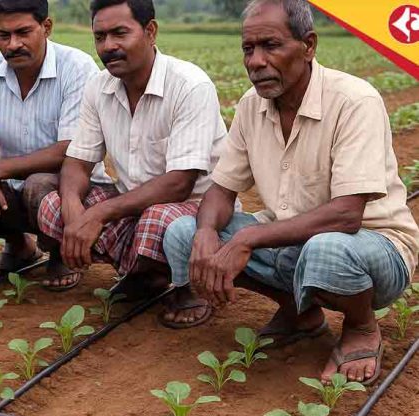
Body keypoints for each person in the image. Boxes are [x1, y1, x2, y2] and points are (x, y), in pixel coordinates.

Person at [162, 0, 419, 384]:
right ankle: (300, 313)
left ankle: (362, 326)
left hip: (371, 247)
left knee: (326, 250)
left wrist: (247, 238)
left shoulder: (354, 101)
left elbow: (346, 215)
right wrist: (205, 232)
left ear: (308, 45)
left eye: (271, 45)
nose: (255, 61)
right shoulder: (251, 106)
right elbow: (221, 190)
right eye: (248, 49)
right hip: (290, 241)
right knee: (183, 232)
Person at [37, 0, 226, 326]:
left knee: (158, 220)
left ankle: (186, 284)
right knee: (53, 205)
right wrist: (73, 208)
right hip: (133, 205)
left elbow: (179, 183)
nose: (108, 46)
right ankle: (146, 275)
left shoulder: (189, 85)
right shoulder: (99, 86)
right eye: (100, 37)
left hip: (195, 211)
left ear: (150, 31)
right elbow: (77, 162)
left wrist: (97, 214)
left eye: (120, 33)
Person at [0, 0, 110, 290]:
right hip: (13, 189)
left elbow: (70, 149)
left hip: (73, 188)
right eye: (3, 35)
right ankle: (19, 246)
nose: (13, 44)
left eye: (23, 32)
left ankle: (60, 253)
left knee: (38, 183)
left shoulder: (77, 67)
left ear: (46, 27)